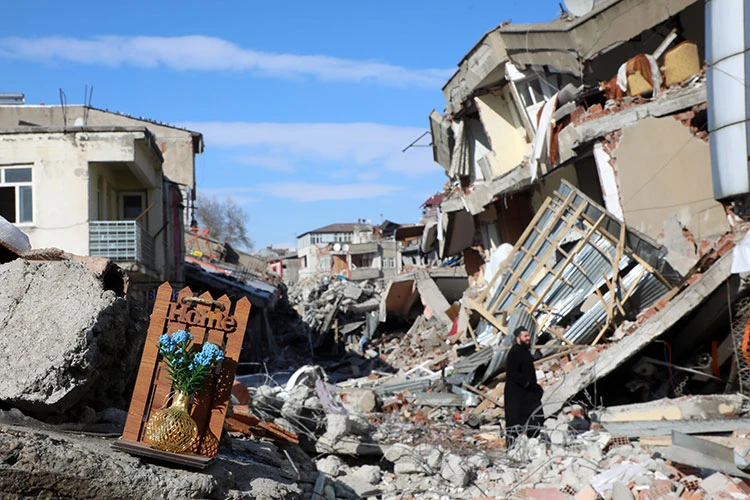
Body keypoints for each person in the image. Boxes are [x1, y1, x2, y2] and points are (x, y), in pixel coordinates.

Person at [504, 326, 544, 447]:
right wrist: (525, 383)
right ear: (518, 338)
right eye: (525, 336)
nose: (528, 338)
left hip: (528, 393)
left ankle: (534, 444)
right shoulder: (515, 352)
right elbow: (512, 372)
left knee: (536, 418)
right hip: (516, 394)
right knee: (515, 423)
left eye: (528, 336)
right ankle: (512, 448)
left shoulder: (524, 352)